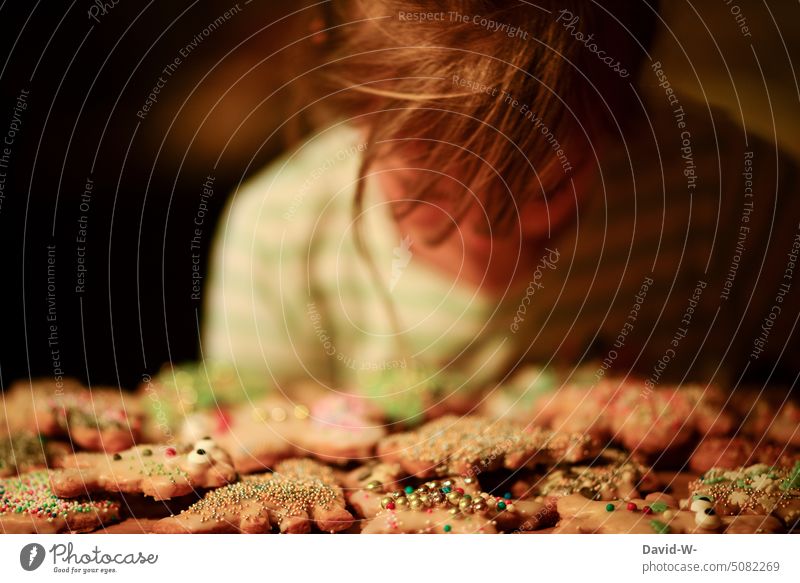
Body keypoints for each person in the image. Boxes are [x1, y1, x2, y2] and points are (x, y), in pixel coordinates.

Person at [202, 0, 800, 420]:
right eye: (431, 194)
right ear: (359, 109)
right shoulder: (278, 227)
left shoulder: (737, 194)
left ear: (621, 113)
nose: (489, 231)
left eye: (544, 187)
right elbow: (252, 425)